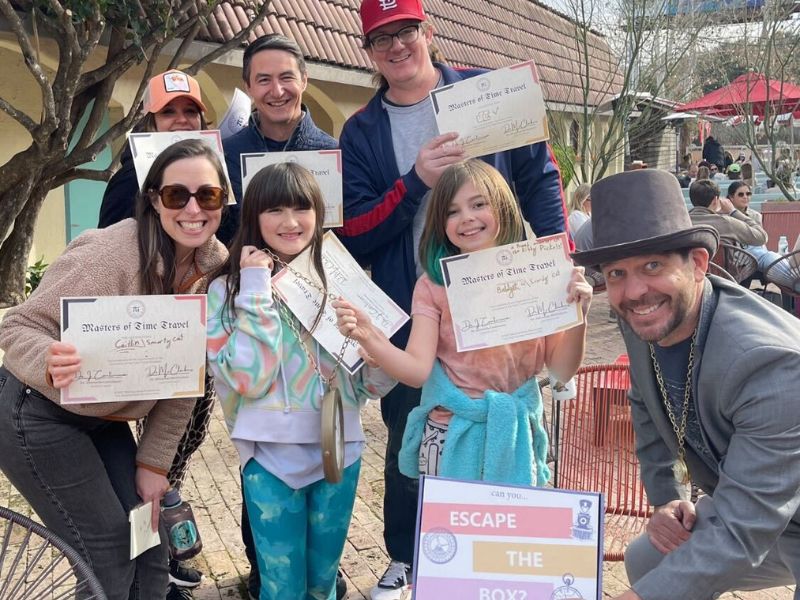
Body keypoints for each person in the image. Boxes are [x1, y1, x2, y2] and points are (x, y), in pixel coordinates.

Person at [337, 2, 567, 596]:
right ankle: (410, 555)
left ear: (427, 31)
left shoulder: (484, 95)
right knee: (414, 434)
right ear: (368, 51)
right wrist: (414, 182)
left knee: (505, 425)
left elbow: (540, 178)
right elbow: (355, 229)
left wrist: (554, 262)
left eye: (405, 31)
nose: (396, 46)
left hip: (501, 307)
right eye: (380, 38)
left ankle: (505, 558)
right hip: (416, 308)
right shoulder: (360, 131)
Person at [0, 139, 229, 600]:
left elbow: (183, 378)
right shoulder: (110, 256)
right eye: (175, 195)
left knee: (147, 536)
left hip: (104, 420)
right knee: (105, 546)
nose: (192, 208)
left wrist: (152, 462)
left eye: (207, 195)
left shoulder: (214, 270)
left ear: (223, 200)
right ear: (153, 200)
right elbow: (18, 326)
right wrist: (47, 357)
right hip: (38, 413)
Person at [571, 169, 800, 600]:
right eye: (616, 273)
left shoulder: (771, 364)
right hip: (758, 509)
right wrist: (665, 499)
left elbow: (741, 527)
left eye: (652, 265)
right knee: (649, 558)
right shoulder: (645, 318)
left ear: (696, 263)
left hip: (766, 513)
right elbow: (644, 402)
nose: (634, 291)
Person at [335, 159, 590, 487]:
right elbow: (416, 370)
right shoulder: (433, 286)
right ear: (440, 223)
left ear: (503, 207)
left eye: (479, 204)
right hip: (450, 433)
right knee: (449, 538)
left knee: (509, 538)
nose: (466, 218)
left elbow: (560, 371)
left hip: (516, 433)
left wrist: (578, 317)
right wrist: (369, 337)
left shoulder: (539, 273)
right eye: (452, 211)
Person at [206, 163, 396, 600]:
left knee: (322, 585)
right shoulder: (226, 291)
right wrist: (255, 290)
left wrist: (374, 350)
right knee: (281, 587)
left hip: (339, 450)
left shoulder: (343, 282)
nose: (290, 222)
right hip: (269, 457)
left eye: (302, 208)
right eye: (275, 209)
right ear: (254, 216)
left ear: (320, 213)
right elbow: (247, 380)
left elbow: (371, 384)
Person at [222, 33, 337, 246]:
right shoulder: (226, 157)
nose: (277, 91)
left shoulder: (335, 154)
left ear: (304, 80)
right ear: (249, 87)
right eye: (264, 80)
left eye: (286, 78)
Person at [98, 70, 208, 228]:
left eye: (190, 111)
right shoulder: (130, 180)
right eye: (168, 112)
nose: (182, 119)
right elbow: (107, 246)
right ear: (150, 121)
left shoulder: (214, 173)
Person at [687, 179, 766, 247]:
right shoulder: (727, 222)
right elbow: (761, 237)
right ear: (715, 200)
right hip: (723, 265)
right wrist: (733, 212)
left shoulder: (681, 222)